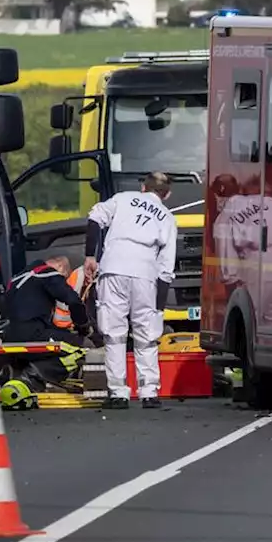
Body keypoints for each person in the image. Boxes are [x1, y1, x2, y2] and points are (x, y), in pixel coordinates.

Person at [85, 172, 177, 409]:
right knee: (147, 335)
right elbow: (166, 267)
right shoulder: (167, 217)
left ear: (143, 188)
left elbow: (95, 217)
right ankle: (149, 392)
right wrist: (159, 306)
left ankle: (118, 393)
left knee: (114, 333)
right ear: (166, 194)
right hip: (145, 273)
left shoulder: (123, 198)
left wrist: (89, 256)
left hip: (113, 268)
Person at [0, 256, 91, 405]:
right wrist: (83, 325)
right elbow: (73, 300)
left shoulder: (16, 279)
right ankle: (32, 376)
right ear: (60, 267)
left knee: (51, 338)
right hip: (32, 334)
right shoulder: (48, 274)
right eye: (65, 277)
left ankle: (13, 370)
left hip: (9, 337)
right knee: (81, 349)